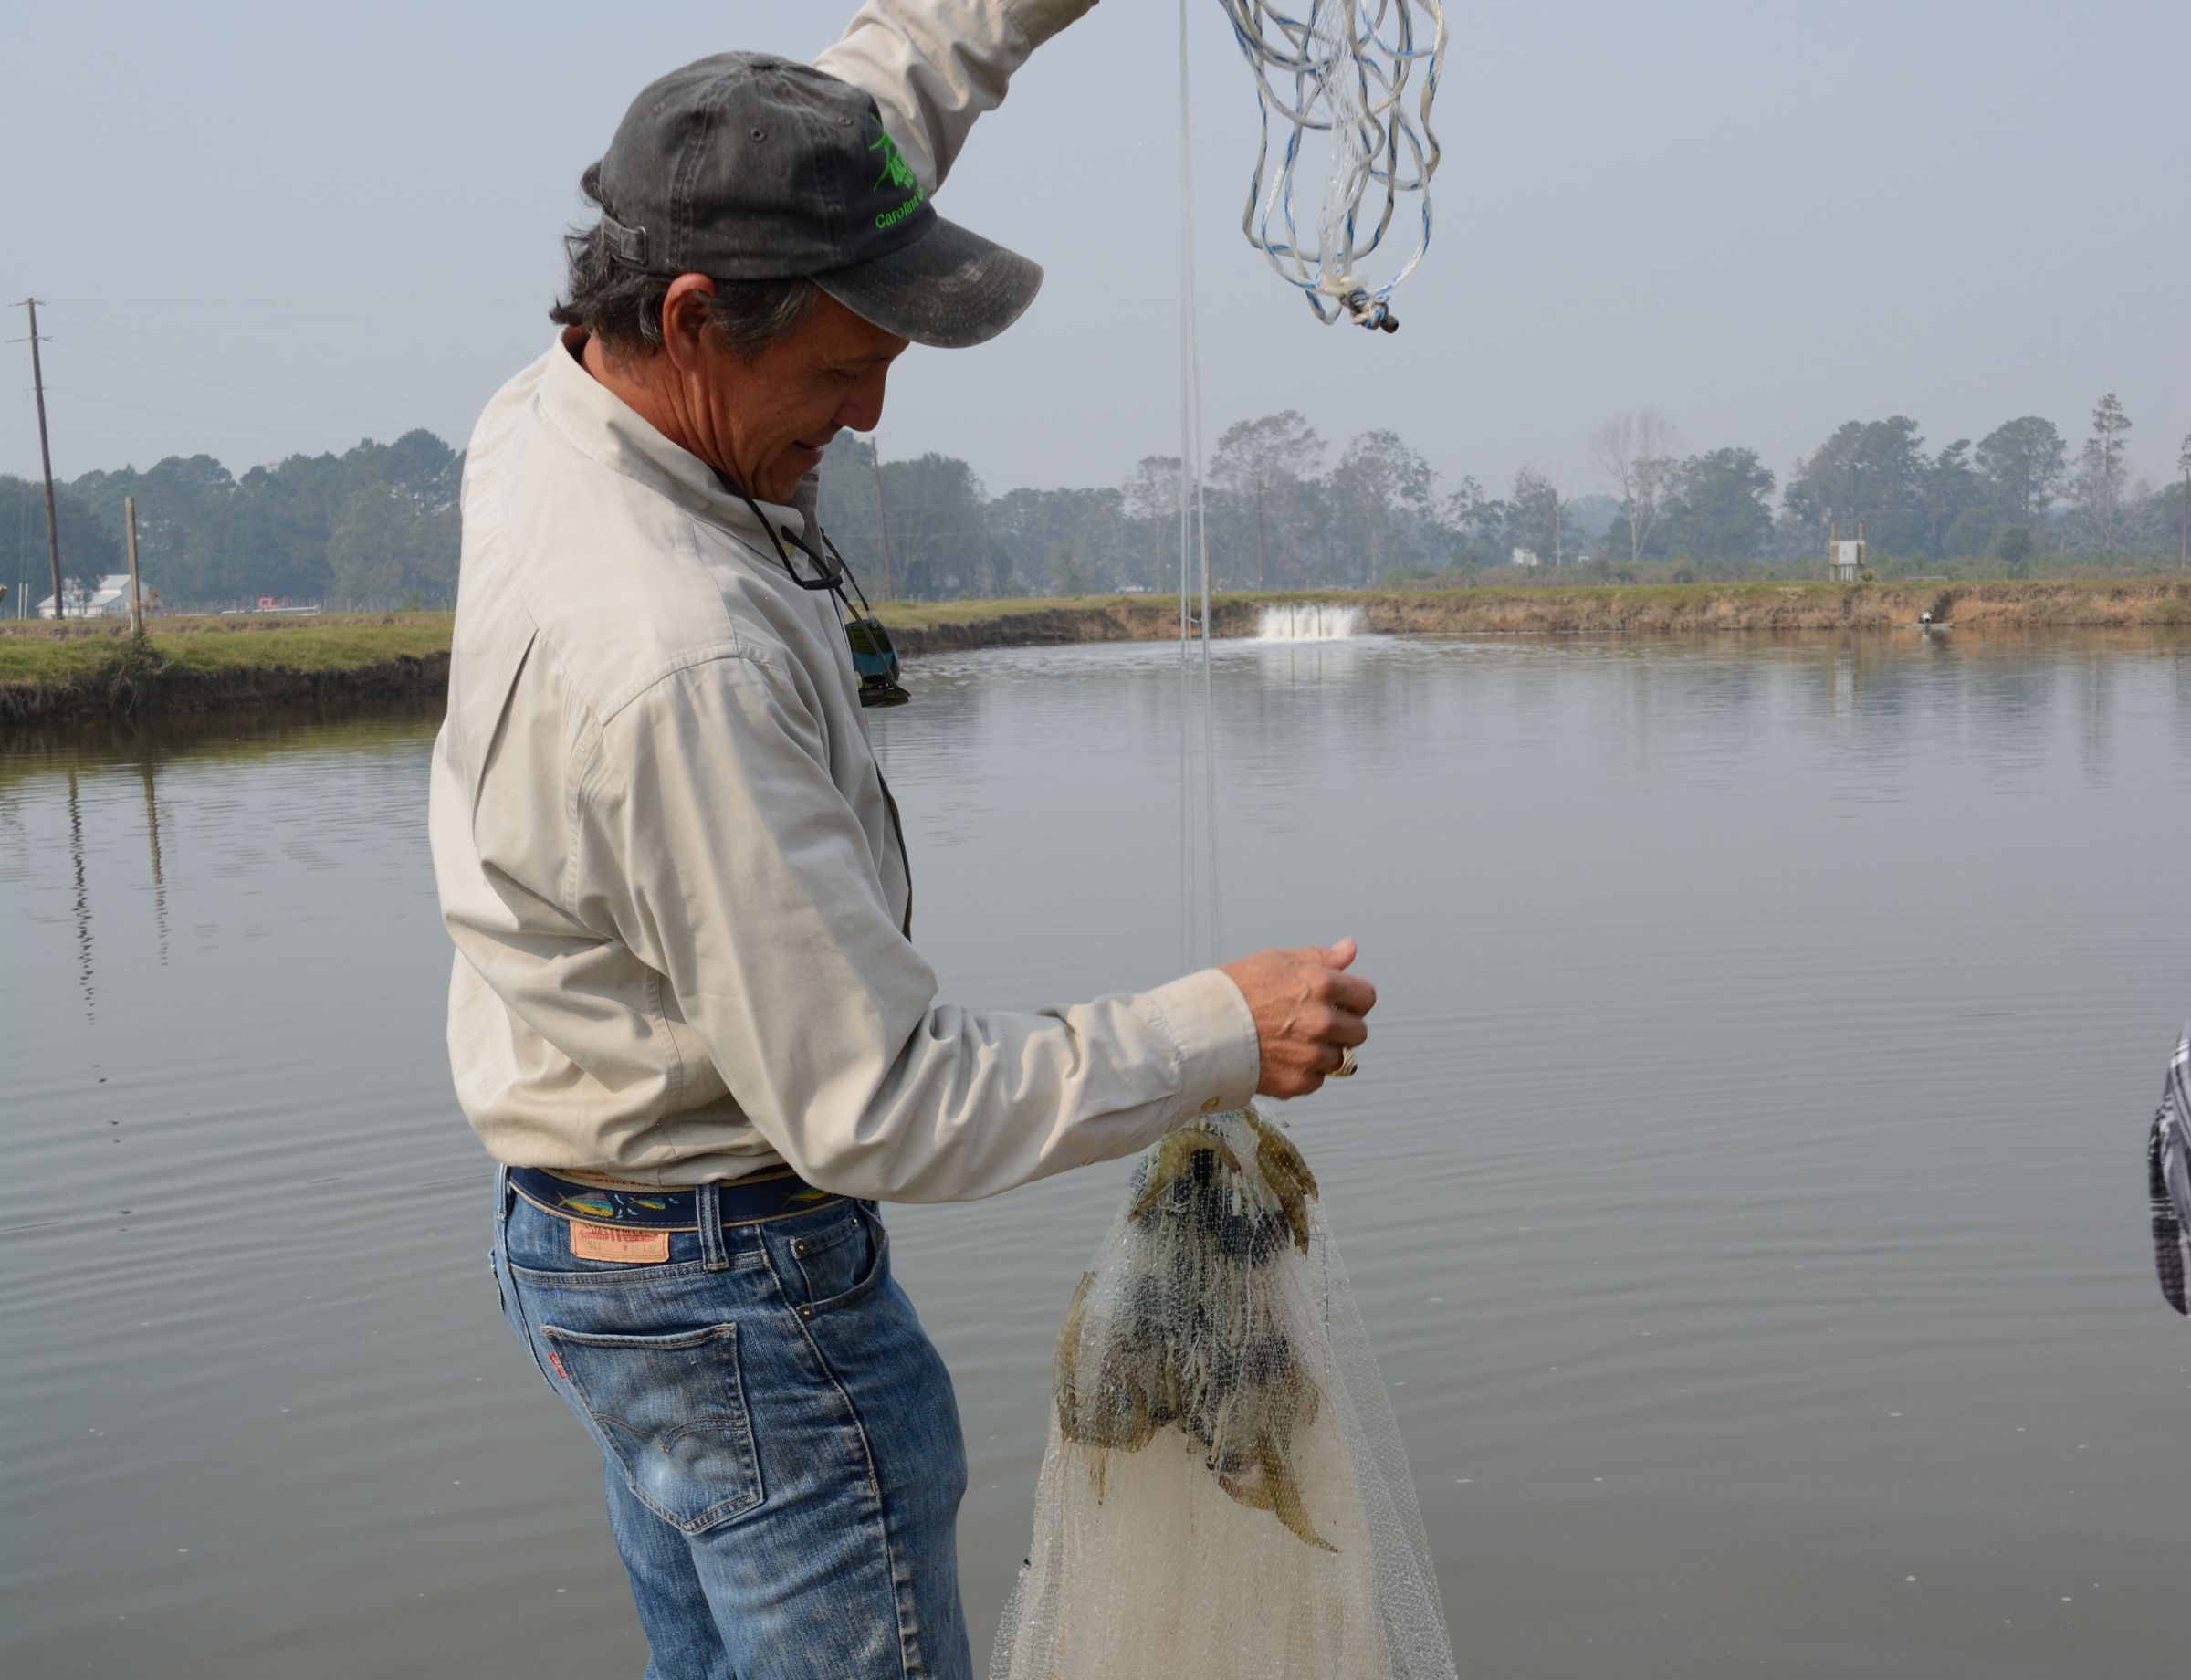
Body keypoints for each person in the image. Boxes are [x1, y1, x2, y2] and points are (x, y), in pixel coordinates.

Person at [425, 4, 1378, 1675]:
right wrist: (1219, 1029)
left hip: (595, 1256)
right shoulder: (676, 657)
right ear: (696, 318)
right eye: (845, 368)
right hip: (744, 1308)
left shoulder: (556, 400)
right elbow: (883, 1105)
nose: (869, 419)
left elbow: (891, 80)